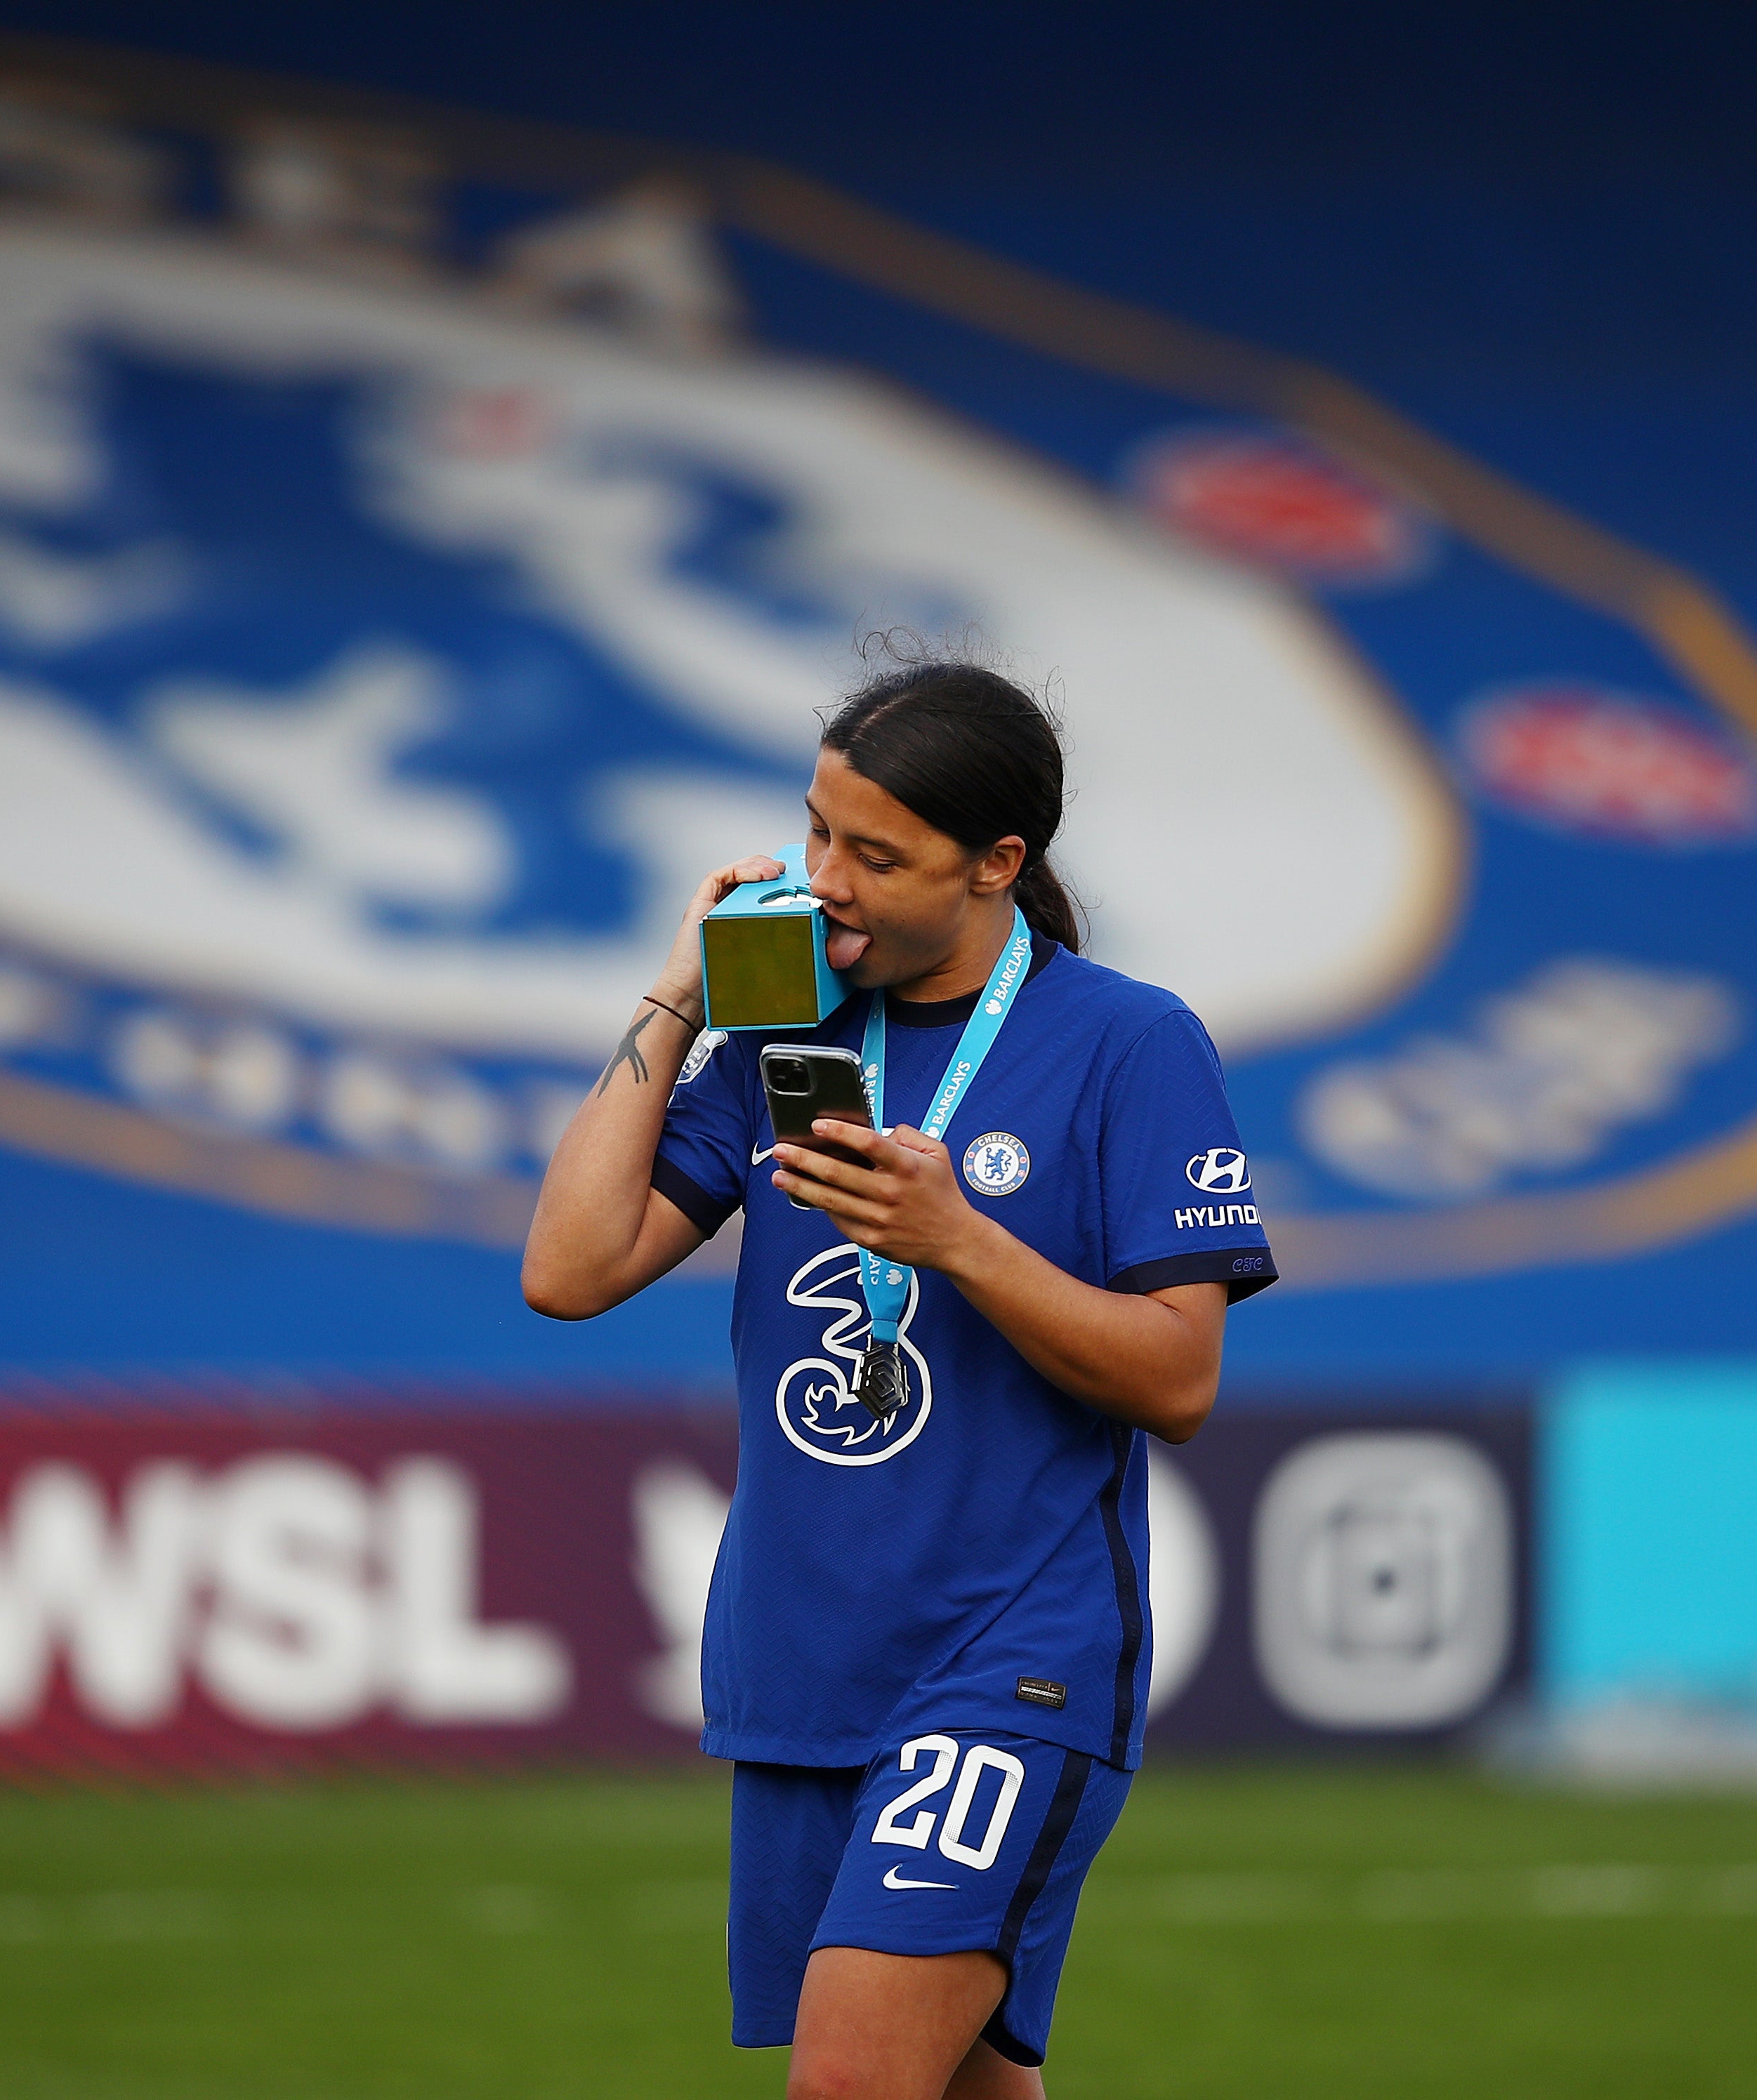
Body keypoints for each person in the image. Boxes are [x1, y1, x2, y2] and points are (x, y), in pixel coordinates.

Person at [523, 658, 1275, 2100]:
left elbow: (1179, 1378)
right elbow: (569, 1269)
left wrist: (959, 1241)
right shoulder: (780, 1032)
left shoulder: (1129, 1042)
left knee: (850, 2087)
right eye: (817, 831)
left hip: (1009, 1654)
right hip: (802, 1660)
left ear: (999, 864)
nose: (828, 880)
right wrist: (680, 994)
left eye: (876, 853)